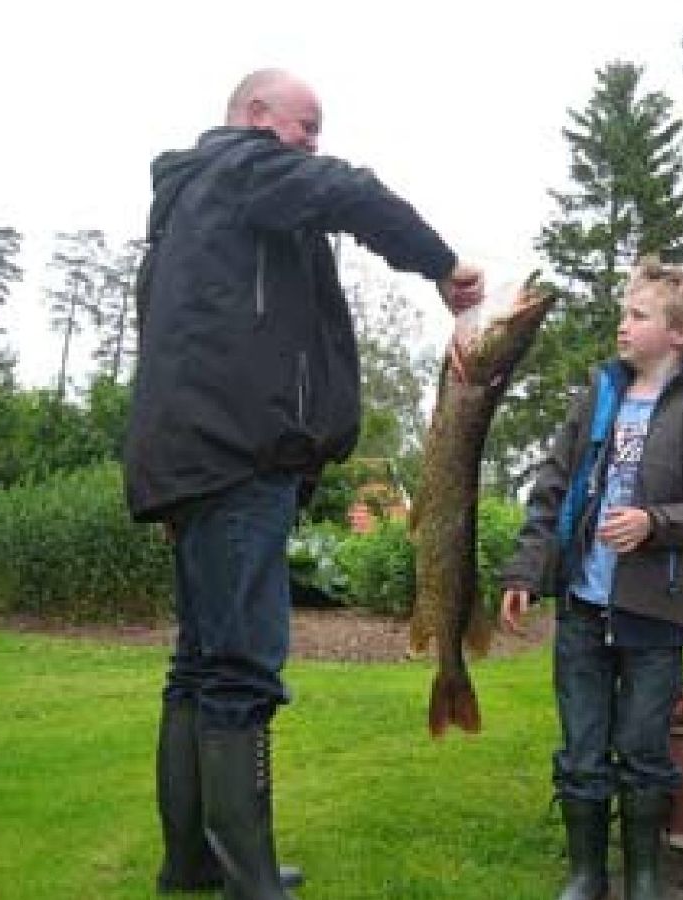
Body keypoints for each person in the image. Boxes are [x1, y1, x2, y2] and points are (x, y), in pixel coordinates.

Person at [123, 69, 483, 899]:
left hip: (188, 463)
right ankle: (250, 883)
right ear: (256, 118)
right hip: (236, 461)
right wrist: (442, 264)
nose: (314, 144)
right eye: (305, 125)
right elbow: (347, 191)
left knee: (199, 666)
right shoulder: (243, 167)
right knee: (241, 670)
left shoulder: (191, 209)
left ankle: (194, 867)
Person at [498, 259, 683, 900]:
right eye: (623, 313)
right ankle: (587, 874)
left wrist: (654, 522)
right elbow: (550, 490)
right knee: (581, 746)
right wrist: (527, 569)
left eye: (638, 315)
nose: (622, 325)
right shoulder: (595, 400)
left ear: (680, 333)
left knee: (642, 749)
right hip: (583, 605)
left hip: (653, 615)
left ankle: (643, 876)